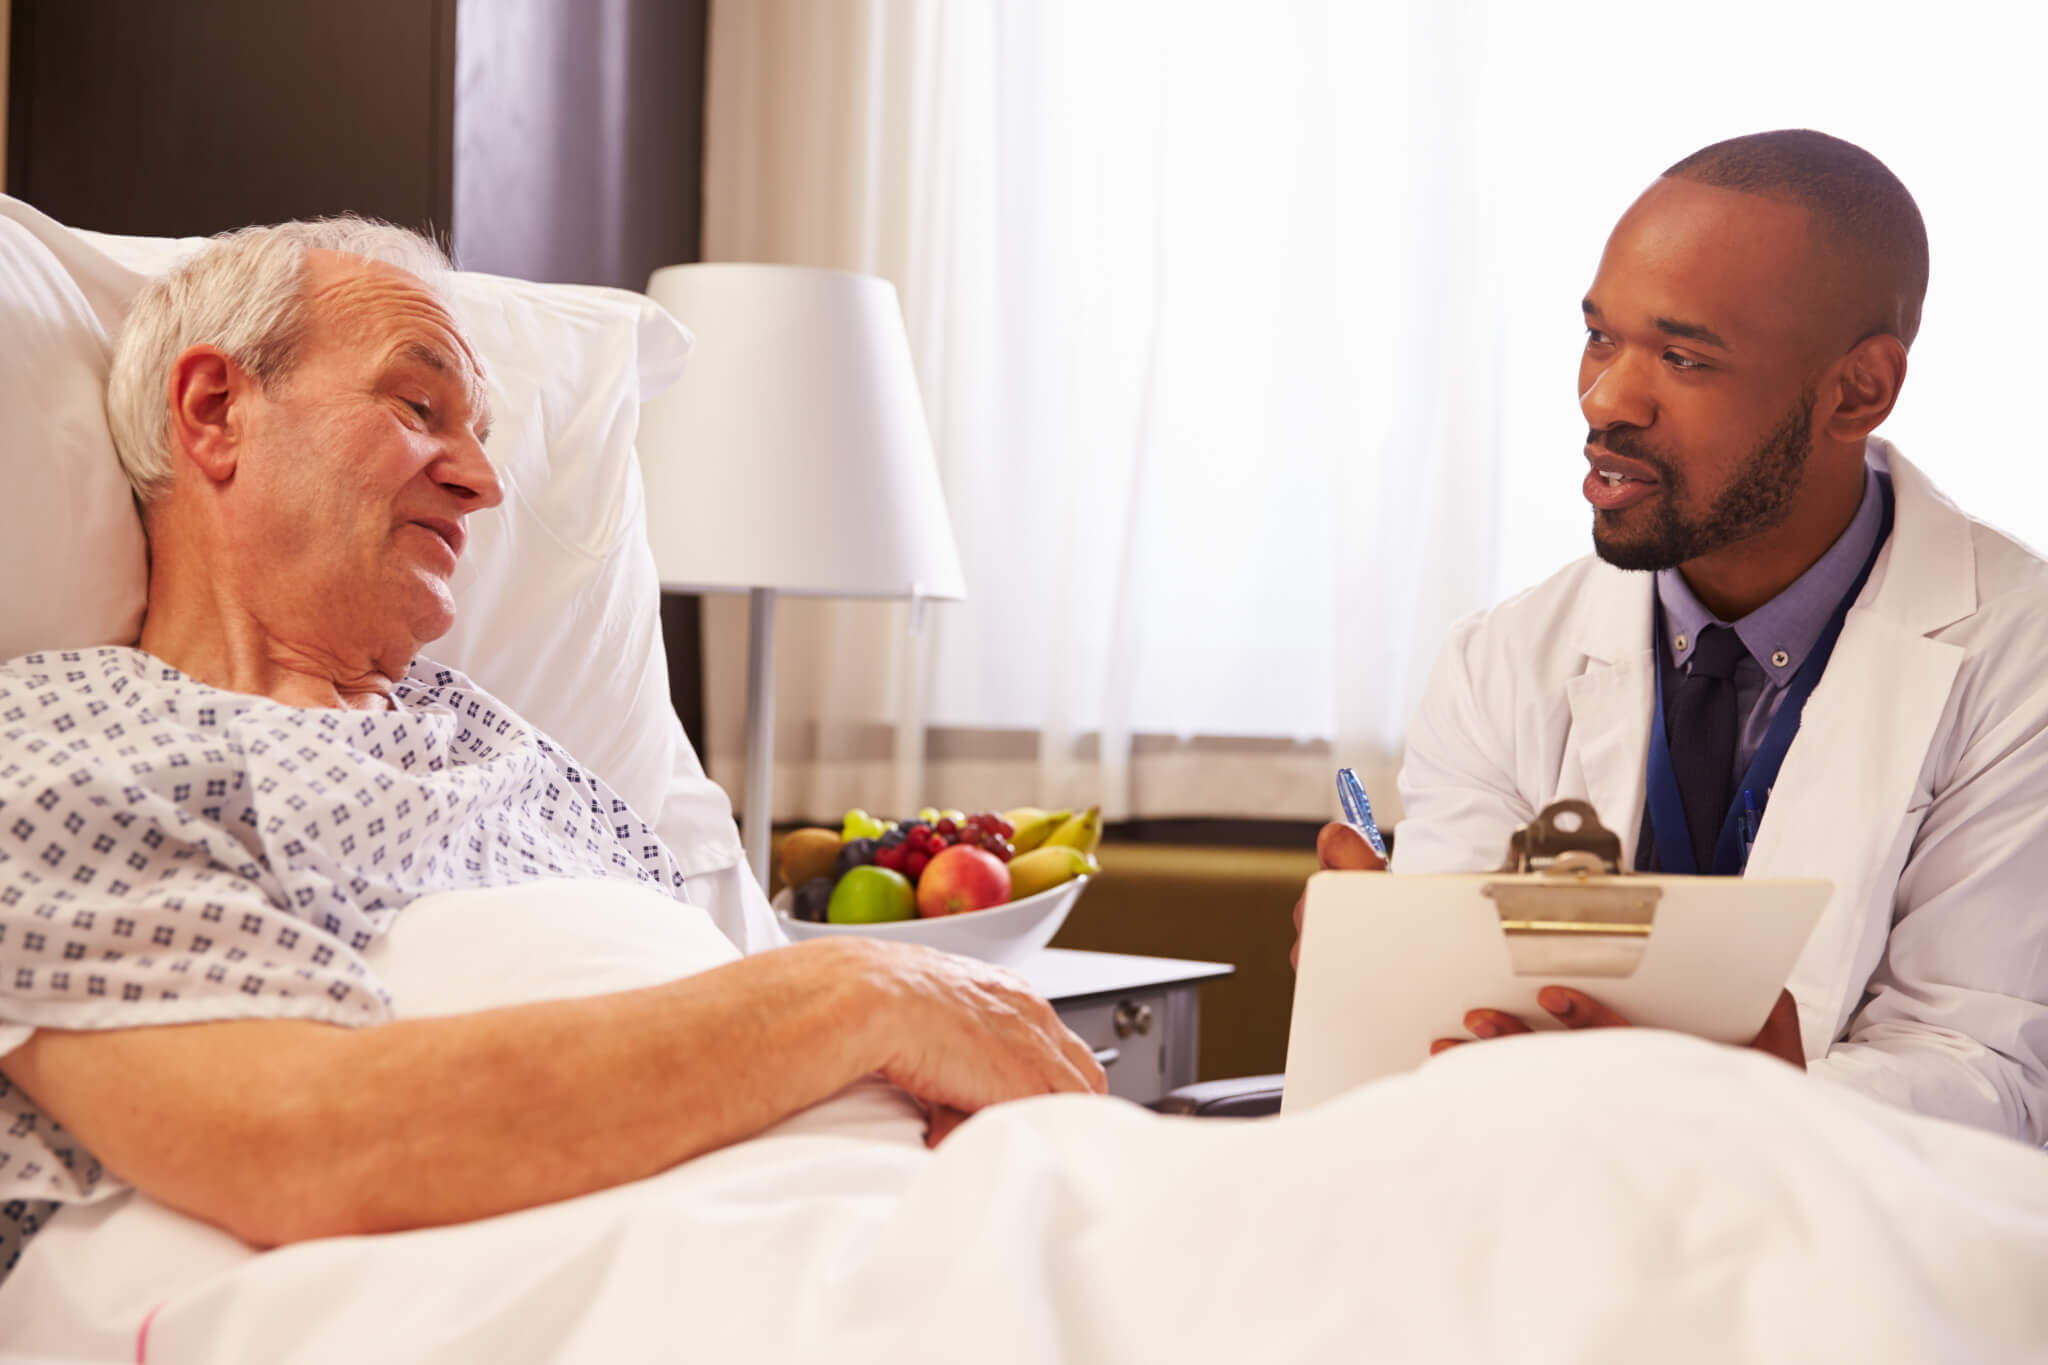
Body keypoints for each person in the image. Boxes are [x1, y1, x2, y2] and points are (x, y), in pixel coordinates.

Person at [0, 220, 1104, 1281]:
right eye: (418, 404)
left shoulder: (523, 757)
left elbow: (707, 1009)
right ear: (214, 411)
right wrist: (872, 995)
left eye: (483, 437)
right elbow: (300, 1139)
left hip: (877, 1210)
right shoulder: (63, 744)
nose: (484, 482)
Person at [1296, 129, 2048, 1143]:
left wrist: (1748, 1109)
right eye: (1599, 337)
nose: (1604, 400)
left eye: (1683, 357)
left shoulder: (2018, 661)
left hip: (1864, 1259)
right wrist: (1381, 976)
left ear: (1855, 391)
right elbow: (1446, 1060)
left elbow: (1994, 1083)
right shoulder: (1503, 662)